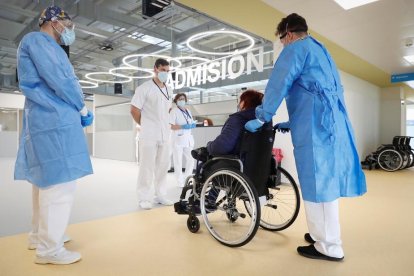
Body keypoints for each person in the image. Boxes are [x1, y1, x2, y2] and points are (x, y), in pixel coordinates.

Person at [245, 13, 367, 261]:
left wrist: (262, 116)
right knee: (325, 182)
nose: (283, 44)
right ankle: (322, 234)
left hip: (315, 130)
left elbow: (279, 83)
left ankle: (329, 245)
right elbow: (322, 92)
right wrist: (294, 120)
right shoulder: (321, 50)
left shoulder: (295, 49)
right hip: (331, 125)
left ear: (288, 34)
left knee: (316, 183)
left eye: (282, 40)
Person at [14, 6, 94, 265]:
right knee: (59, 185)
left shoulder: (38, 44)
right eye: (67, 23)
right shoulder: (40, 41)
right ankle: (50, 250)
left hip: (45, 120)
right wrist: (81, 105)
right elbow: (62, 80)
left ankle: (38, 236)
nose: (69, 29)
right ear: (53, 21)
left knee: (44, 182)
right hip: (54, 121)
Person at [130, 58, 174, 210]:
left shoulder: (169, 89)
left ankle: (160, 195)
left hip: (164, 134)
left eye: (168, 71)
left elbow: (167, 109)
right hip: (149, 133)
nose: (166, 74)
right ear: (155, 69)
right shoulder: (144, 88)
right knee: (147, 167)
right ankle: (143, 198)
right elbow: (134, 110)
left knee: (163, 166)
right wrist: (146, 124)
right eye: (163, 70)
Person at [169, 93, 196, 187]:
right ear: (176, 101)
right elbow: (170, 126)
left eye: (183, 99)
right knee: (178, 162)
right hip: (178, 139)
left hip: (188, 139)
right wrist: (183, 126)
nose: (182, 100)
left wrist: (192, 124)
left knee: (191, 159)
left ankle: (187, 179)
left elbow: (190, 121)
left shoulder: (188, 110)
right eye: (180, 99)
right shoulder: (174, 111)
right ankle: (180, 182)